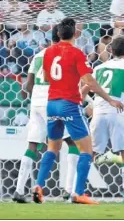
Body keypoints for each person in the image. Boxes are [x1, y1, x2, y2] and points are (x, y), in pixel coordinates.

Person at [34, 17, 124, 205]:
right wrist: (109, 99)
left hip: (52, 103)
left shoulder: (48, 52)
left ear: (58, 34)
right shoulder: (76, 53)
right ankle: (78, 193)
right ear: (75, 34)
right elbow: (89, 81)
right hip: (69, 103)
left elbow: (47, 76)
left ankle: (39, 186)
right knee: (86, 149)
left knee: (52, 147)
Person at [13, 25, 81, 203]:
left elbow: (28, 85)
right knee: (71, 142)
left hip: (36, 102)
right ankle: (68, 191)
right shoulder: (65, 53)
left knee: (33, 145)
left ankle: (19, 191)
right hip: (54, 101)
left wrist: (25, 91)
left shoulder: (38, 56)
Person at [84, 37, 124, 204]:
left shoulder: (99, 67)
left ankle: (77, 190)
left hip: (98, 112)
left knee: (91, 153)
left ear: (110, 51)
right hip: (118, 112)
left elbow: (86, 86)